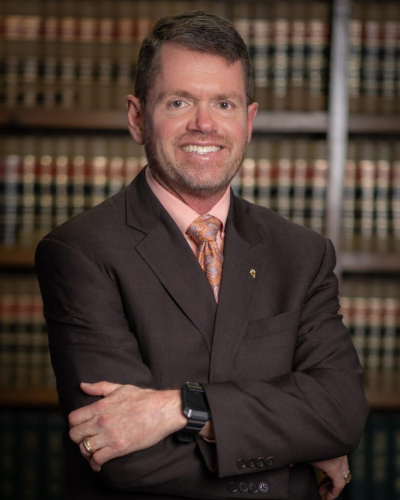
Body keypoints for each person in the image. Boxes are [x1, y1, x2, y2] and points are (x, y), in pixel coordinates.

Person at [35, 11, 369, 500]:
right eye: (178, 101)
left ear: (248, 122)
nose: (204, 125)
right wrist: (295, 452)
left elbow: (341, 412)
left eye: (225, 103)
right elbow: (125, 455)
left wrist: (179, 407)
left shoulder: (302, 252)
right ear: (136, 118)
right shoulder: (80, 251)